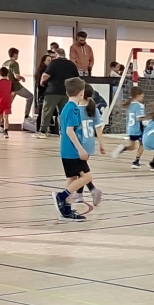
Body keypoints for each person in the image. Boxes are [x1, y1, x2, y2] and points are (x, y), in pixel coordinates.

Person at [53, 77, 94, 221]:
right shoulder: (74, 109)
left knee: (72, 179)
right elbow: (70, 131)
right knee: (87, 177)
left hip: (66, 150)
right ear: (82, 93)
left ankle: (67, 210)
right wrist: (81, 149)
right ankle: (62, 196)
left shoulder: (66, 107)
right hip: (72, 151)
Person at [38, 49, 79, 137]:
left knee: (47, 112)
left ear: (56, 55)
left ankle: (43, 131)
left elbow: (45, 75)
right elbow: (76, 79)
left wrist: (42, 82)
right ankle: (63, 132)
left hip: (52, 92)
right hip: (66, 92)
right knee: (64, 113)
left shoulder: (53, 63)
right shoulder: (71, 64)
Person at [112, 86, 147, 167]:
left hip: (130, 129)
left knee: (132, 147)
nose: (143, 97)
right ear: (137, 96)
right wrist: (147, 120)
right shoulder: (140, 106)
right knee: (143, 144)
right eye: (142, 96)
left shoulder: (130, 105)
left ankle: (123, 148)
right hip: (138, 129)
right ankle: (136, 162)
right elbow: (139, 118)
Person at [4, 48, 33, 120]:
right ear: (15, 54)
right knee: (30, 96)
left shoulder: (5, 63)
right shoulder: (14, 63)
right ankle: (26, 115)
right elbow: (16, 76)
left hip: (7, 86)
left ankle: (2, 120)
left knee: (8, 104)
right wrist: (22, 78)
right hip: (15, 86)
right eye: (17, 54)